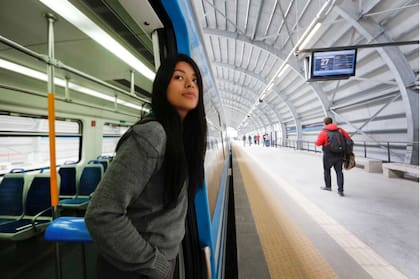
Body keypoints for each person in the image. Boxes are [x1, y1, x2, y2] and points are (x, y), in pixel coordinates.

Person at [85, 53, 207, 279]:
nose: (190, 83)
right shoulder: (153, 135)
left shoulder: (181, 138)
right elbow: (101, 213)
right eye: (179, 77)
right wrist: (156, 265)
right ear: (163, 86)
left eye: (195, 80)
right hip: (135, 270)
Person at [315, 117, 350, 196]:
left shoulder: (323, 132)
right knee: (339, 172)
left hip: (328, 155)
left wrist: (317, 142)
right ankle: (340, 190)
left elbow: (318, 143)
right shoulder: (340, 130)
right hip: (340, 154)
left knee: (327, 171)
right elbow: (348, 139)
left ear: (325, 123)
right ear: (332, 122)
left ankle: (328, 187)